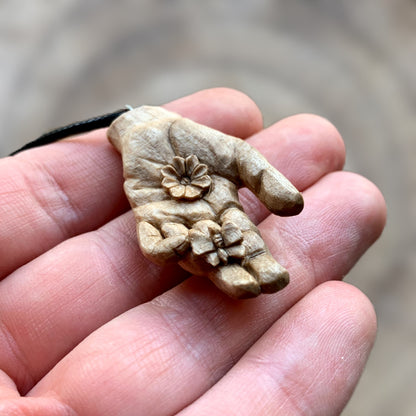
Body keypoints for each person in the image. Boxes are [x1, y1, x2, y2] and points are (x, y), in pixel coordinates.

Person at [0, 88, 386, 415]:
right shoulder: (149, 174)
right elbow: (153, 241)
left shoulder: (186, 146)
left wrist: (147, 126)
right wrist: (141, 136)